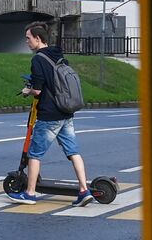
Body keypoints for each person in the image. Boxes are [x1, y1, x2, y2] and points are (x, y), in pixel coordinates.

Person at [7, 23, 94, 206]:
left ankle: (30, 194)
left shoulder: (38, 59)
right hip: (66, 112)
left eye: (28, 38)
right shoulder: (58, 55)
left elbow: (37, 91)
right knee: (73, 152)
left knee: (35, 154)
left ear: (38, 39)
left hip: (49, 115)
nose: (27, 42)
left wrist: (26, 91)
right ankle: (84, 190)